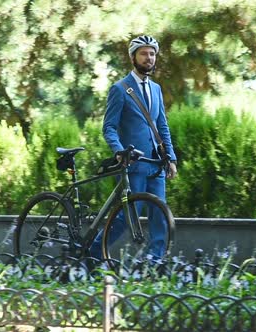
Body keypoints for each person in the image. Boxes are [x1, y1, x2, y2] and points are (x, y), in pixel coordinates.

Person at [89, 35, 178, 260]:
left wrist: (171, 158)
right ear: (133, 57)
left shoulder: (156, 89)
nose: (148, 58)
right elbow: (109, 127)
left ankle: (153, 262)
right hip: (134, 162)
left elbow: (162, 126)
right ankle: (94, 254)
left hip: (156, 163)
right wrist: (119, 151)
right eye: (143, 53)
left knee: (160, 214)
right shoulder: (120, 89)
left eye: (152, 54)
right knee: (127, 217)